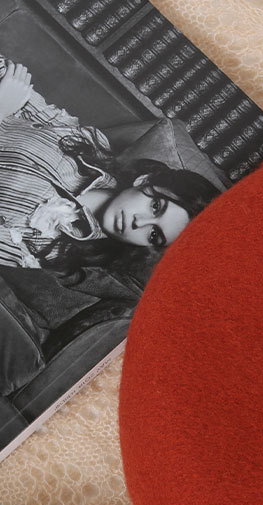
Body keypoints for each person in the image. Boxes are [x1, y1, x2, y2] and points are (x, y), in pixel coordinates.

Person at [0, 58, 221, 395]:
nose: (138, 222)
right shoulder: (89, 147)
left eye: (154, 234)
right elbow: (18, 88)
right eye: (155, 206)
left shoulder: (48, 248)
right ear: (146, 181)